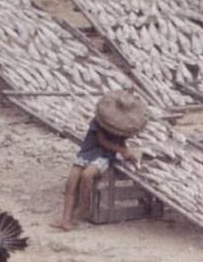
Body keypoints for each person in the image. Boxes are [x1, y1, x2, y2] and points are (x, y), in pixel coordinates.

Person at [54, 91, 147, 231]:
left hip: (104, 157)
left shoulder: (124, 127)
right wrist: (123, 151)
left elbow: (120, 144)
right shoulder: (99, 121)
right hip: (88, 152)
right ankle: (66, 219)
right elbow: (102, 141)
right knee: (70, 183)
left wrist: (128, 154)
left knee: (87, 175)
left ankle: (84, 205)